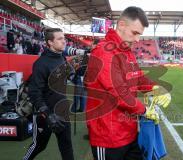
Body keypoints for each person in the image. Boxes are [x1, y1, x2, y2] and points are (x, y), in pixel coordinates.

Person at [84, 6, 158, 160]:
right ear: (122, 25)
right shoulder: (103, 51)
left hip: (128, 131)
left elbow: (137, 77)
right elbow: (118, 92)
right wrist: (144, 110)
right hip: (107, 136)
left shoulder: (127, 50)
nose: (138, 40)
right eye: (135, 33)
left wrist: (154, 88)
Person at [22, 28, 74, 160]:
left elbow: (69, 74)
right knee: (39, 145)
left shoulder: (62, 57)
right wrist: (48, 114)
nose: (64, 41)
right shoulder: (40, 64)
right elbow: (34, 92)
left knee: (66, 145)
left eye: (64, 38)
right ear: (50, 42)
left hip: (62, 110)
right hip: (44, 114)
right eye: (60, 39)